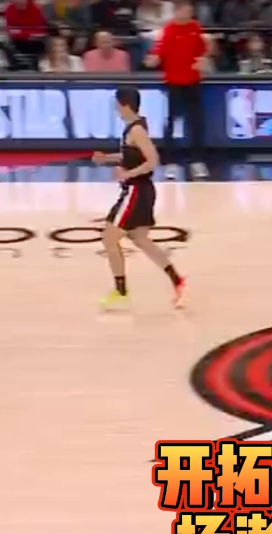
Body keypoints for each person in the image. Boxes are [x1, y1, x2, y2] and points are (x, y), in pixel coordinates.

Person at [92, 87, 187, 310]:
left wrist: (128, 174)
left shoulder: (136, 130)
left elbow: (153, 160)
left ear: (124, 104)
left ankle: (121, 291)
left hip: (137, 191)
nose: (115, 108)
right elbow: (131, 155)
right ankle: (177, 280)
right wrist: (107, 159)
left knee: (109, 237)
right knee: (139, 239)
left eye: (117, 104)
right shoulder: (133, 128)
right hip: (140, 191)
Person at [144, 0, 209, 179]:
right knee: (171, 122)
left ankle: (197, 161)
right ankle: (170, 162)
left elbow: (203, 49)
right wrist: (154, 58)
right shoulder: (169, 30)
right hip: (174, 82)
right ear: (177, 11)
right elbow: (158, 51)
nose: (189, 14)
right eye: (186, 11)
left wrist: (203, 59)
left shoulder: (195, 27)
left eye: (190, 11)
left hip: (193, 81)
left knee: (196, 122)